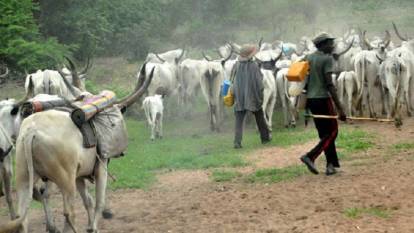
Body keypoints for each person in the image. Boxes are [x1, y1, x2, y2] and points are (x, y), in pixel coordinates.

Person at [299, 32, 347, 176]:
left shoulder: (308, 57)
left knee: (324, 134)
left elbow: (304, 79)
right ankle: (310, 156)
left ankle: (330, 165)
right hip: (323, 99)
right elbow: (329, 84)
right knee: (332, 131)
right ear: (323, 45)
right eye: (330, 43)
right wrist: (340, 108)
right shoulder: (327, 59)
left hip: (312, 100)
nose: (333, 46)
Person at [231, 44, 271, 149]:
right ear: (250, 54)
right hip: (252, 96)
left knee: (239, 120)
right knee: (259, 117)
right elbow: (259, 83)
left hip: (239, 97)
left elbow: (232, 80)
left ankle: (237, 142)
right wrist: (260, 95)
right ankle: (265, 138)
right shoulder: (254, 65)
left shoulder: (236, 65)